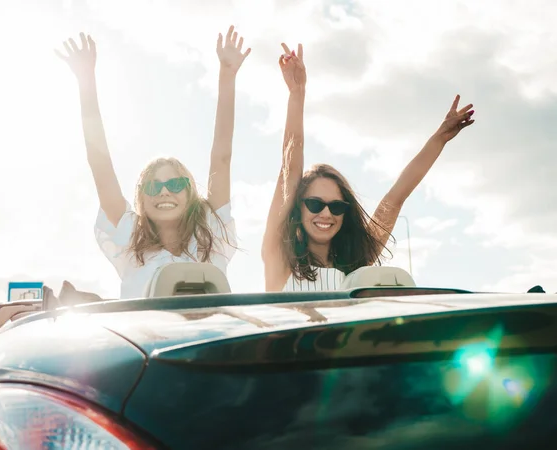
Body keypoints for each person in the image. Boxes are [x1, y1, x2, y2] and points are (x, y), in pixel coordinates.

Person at [55, 26, 250, 299]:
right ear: (142, 200)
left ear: (190, 192)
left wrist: (227, 74)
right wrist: (86, 79)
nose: (164, 192)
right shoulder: (128, 242)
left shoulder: (211, 237)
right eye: (153, 186)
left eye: (174, 183)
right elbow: (99, 161)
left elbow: (222, 156)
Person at [262, 43, 475, 292]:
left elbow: (395, 198)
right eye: (315, 203)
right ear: (298, 206)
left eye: (337, 206)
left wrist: (440, 138)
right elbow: (290, 168)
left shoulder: (357, 264)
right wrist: (297, 93)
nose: (326, 214)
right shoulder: (280, 259)